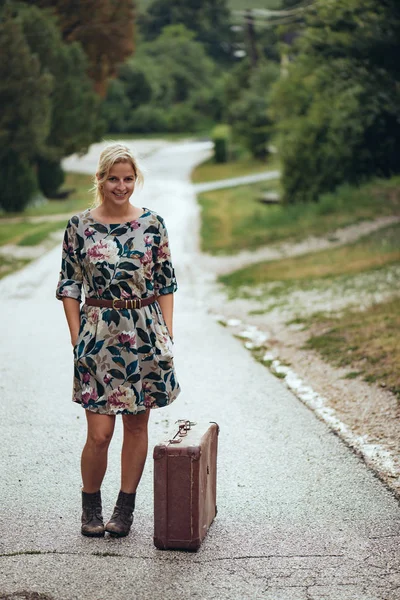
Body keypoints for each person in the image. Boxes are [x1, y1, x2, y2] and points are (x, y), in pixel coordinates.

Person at [56, 143, 180, 538]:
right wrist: (78, 340)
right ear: (100, 179)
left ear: (135, 180)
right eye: (113, 178)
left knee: (137, 428)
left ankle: (124, 508)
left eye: (127, 179)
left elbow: (165, 283)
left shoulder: (153, 224)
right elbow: (69, 285)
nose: (121, 186)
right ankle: (89, 504)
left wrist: (167, 334)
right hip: (98, 336)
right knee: (100, 433)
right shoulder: (79, 226)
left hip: (144, 334)